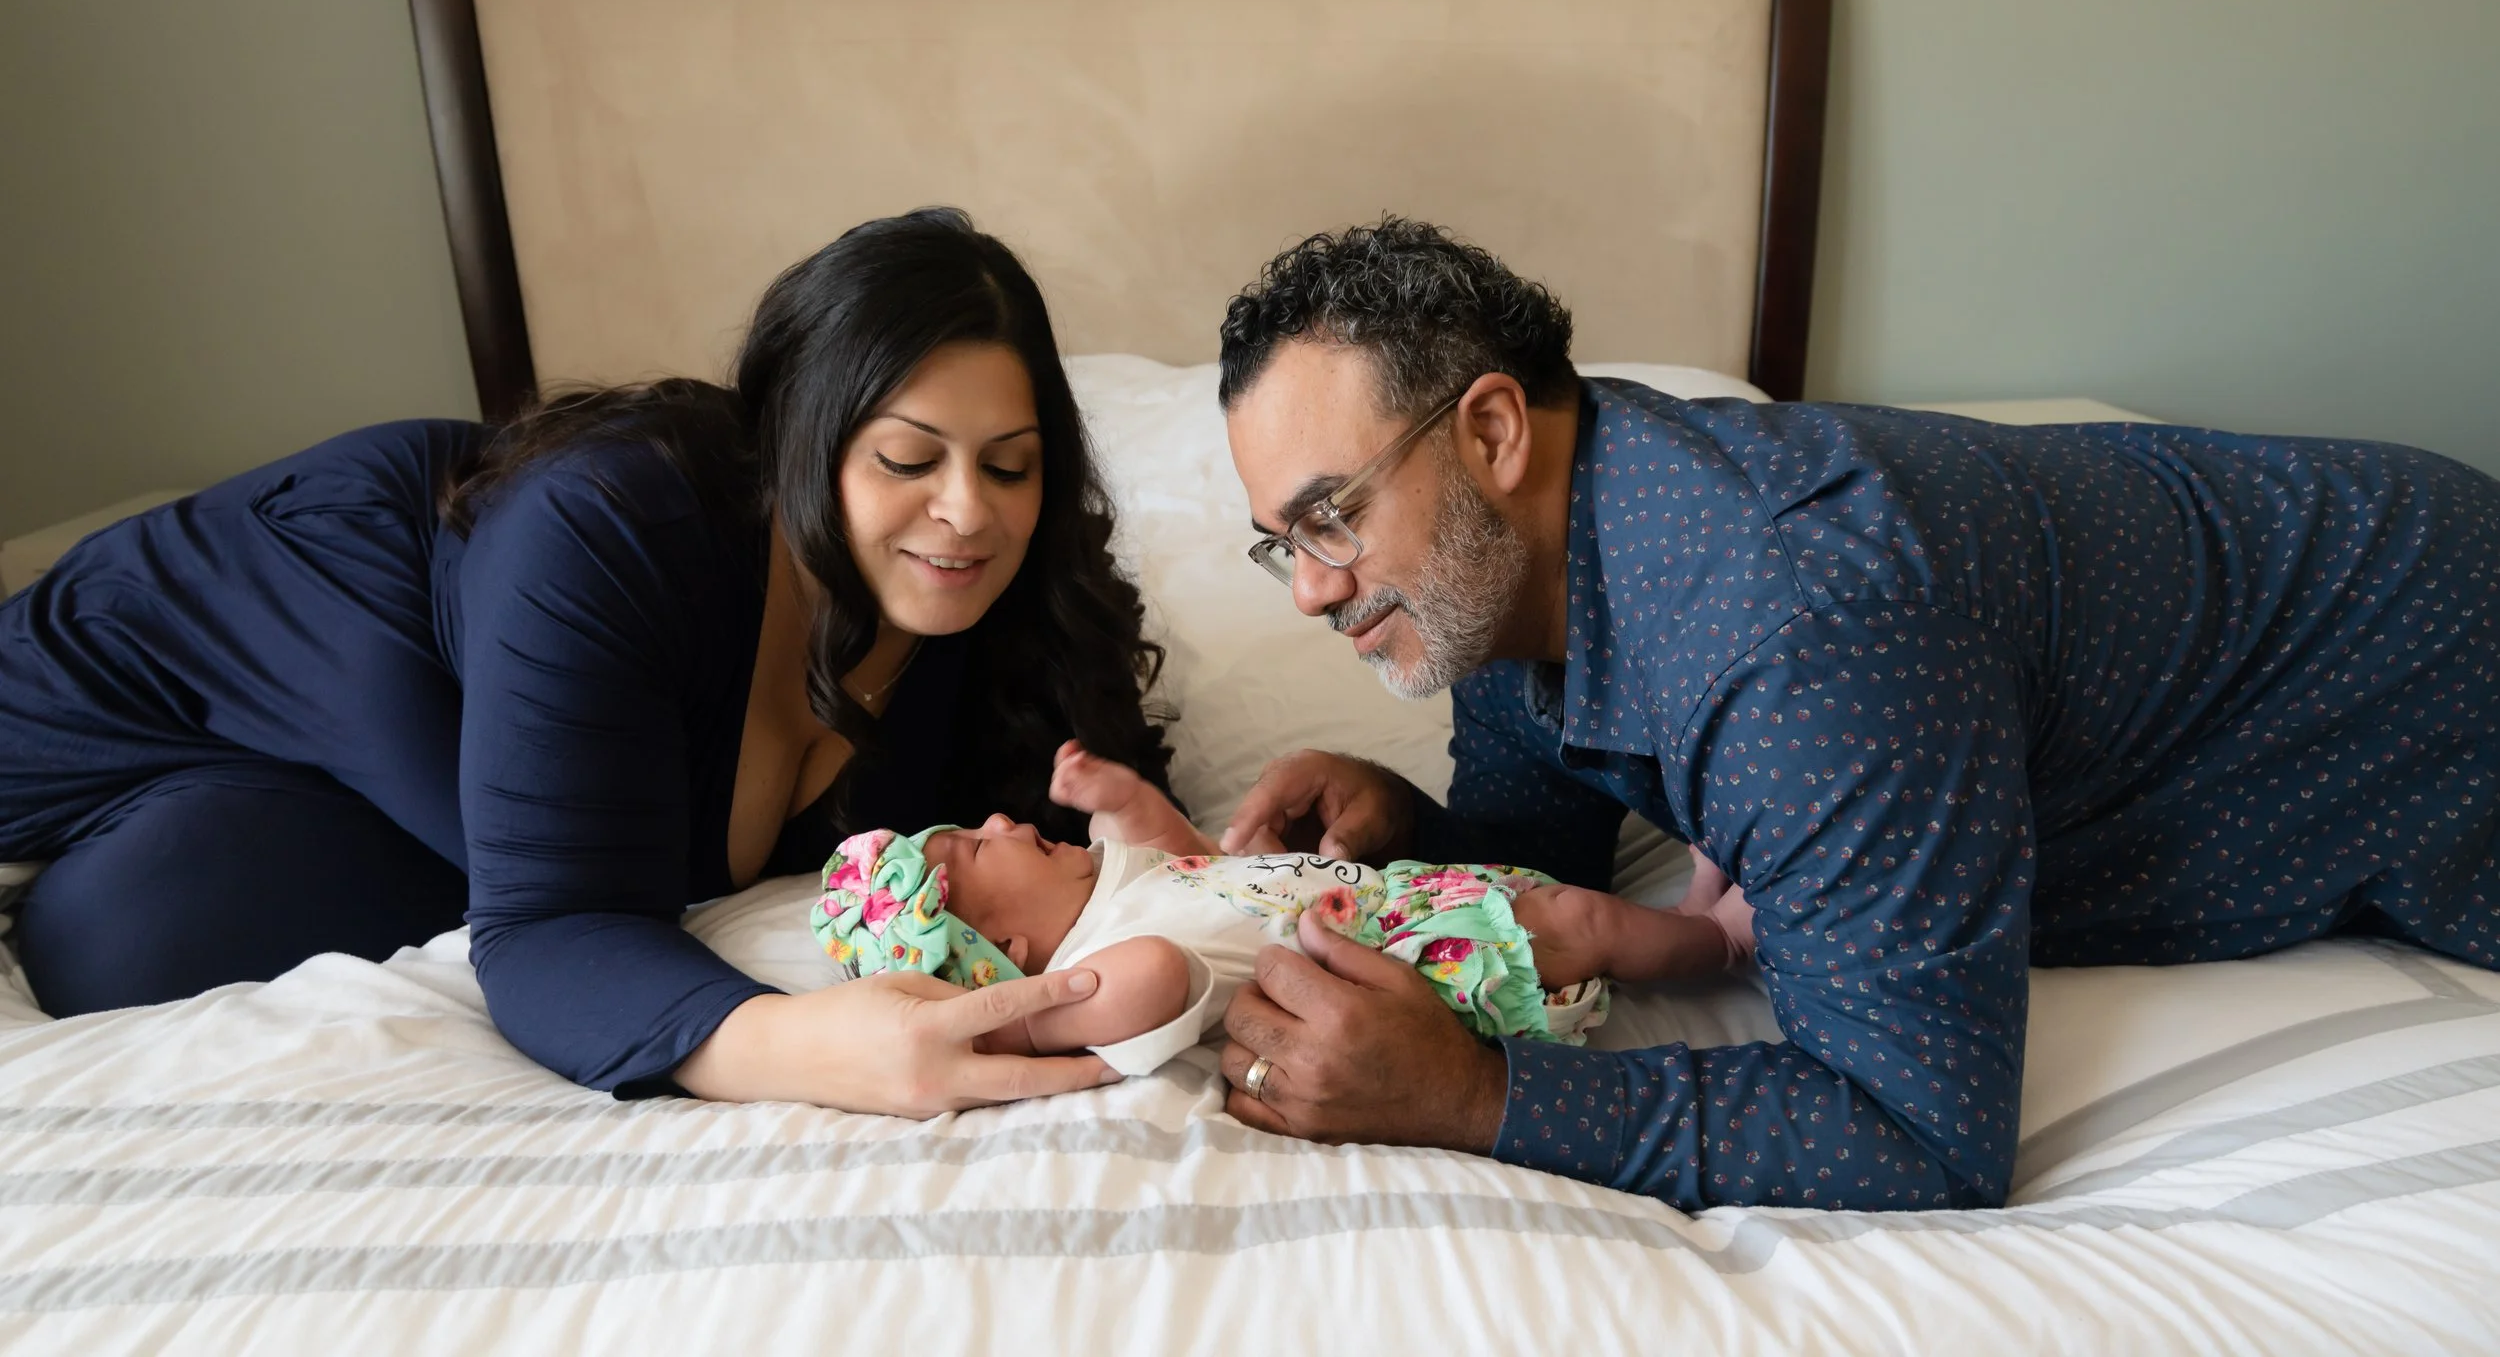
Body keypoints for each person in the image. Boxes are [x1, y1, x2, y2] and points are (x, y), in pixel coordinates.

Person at [1207, 216, 2500, 1212]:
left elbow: (1918, 1128)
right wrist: (1402, 826)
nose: (1313, 588)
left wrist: (1475, 1097)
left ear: (1494, 433)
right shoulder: (1497, 581)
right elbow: (1541, 870)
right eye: (1282, 543)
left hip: (2440, 667)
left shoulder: (1799, 636)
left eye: (1333, 515)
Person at [0, 208, 1172, 1114]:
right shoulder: (611, 520)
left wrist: (1264, 848)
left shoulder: (995, 614)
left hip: (388, 759)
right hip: (233, 631)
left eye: (1009, 465)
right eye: (908, 460)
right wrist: (802, 1045)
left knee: (117, 942)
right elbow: (554, 929)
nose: (967, 513)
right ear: (800, 444)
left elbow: (1146, 855)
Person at [803, 742, 1752, 1078]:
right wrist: (1026, 1020)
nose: (1002, 821)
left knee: (1567, 906)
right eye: (974, 849)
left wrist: (1122, 796)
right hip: (1418, 968)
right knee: (1584, 924)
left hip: (1404, 898)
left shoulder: (1116, 887)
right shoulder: (1096, 973)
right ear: (1001, 950)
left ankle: (1691, 912)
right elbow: (1159, 972)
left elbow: (1190, 860)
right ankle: (1720, 942)